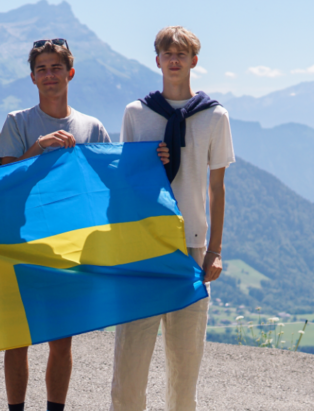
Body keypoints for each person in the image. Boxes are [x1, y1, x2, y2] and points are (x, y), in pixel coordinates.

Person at [111, 26, 234, 411]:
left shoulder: (214, 116)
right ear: (158, 61)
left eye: (182, 54)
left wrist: (214, 251)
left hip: (191, 250)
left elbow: (218, 188)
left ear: (194, 61)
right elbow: (124, 181)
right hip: (143, 247)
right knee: (128, 371)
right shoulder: (136, 113)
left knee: (185, 372)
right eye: (168, 53)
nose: (175, 60)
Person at [0, 38, 111, 411]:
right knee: (18, 338)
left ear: (70, 73)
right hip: (21, 244)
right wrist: (37, 148)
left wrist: (156, 158)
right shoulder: (18, 122)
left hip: (69, 247)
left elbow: (109, 182)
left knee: (62, 341)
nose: (49, 75)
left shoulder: (92, 127)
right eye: (42, 69)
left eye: (55, 68)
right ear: (32, 78)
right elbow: (3, 186)